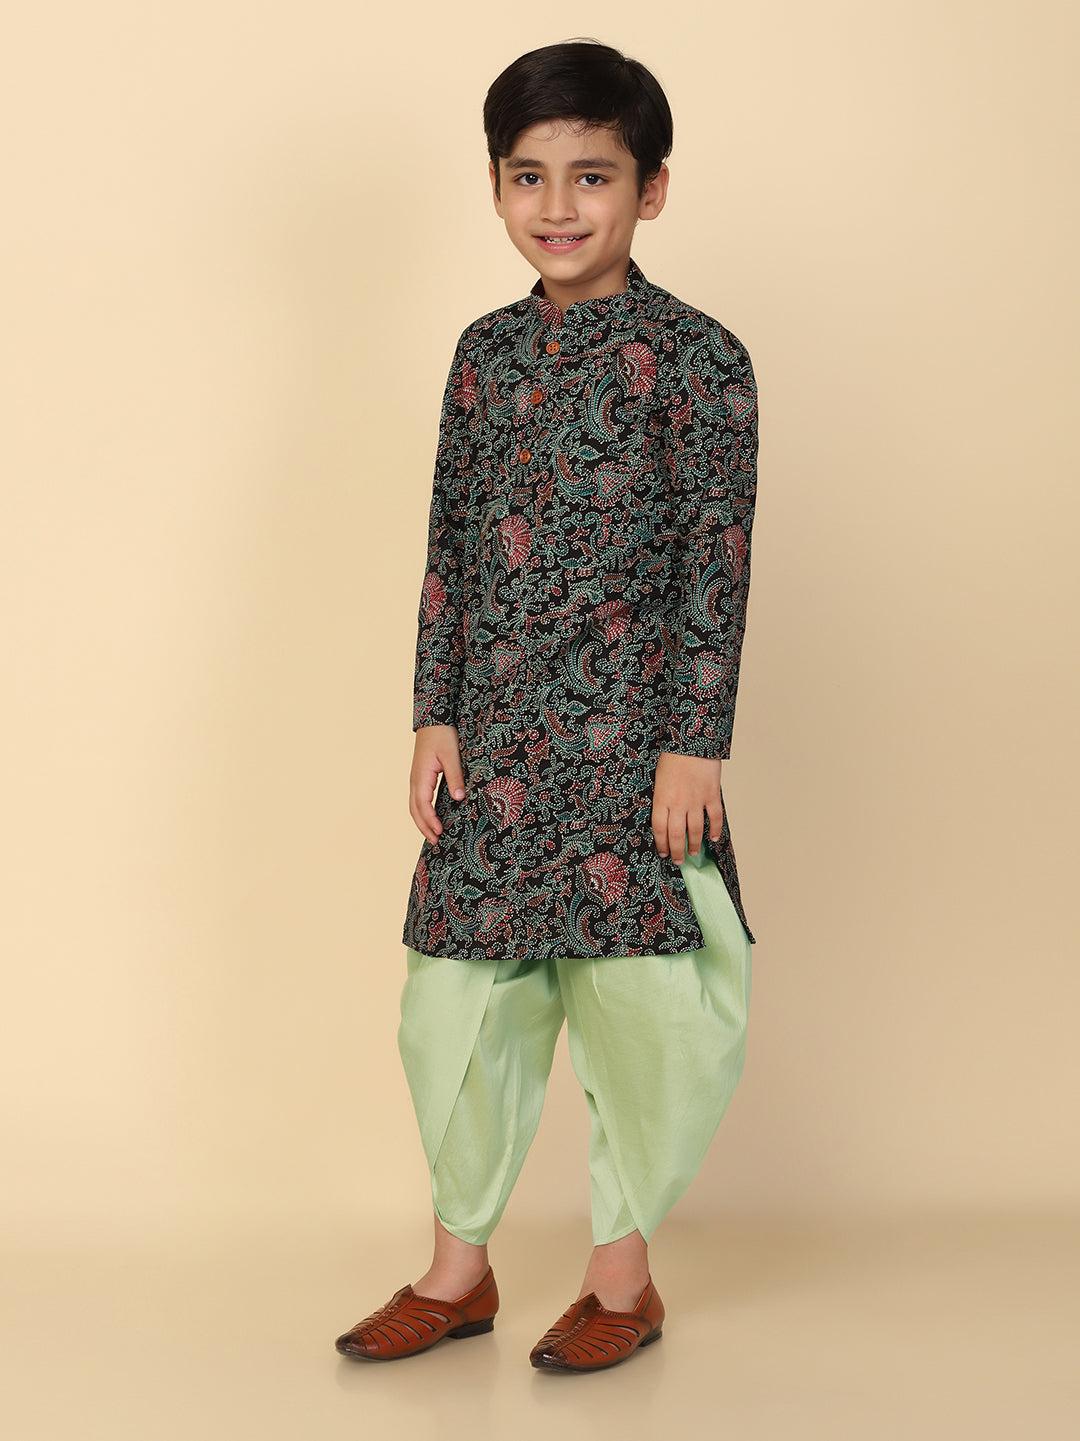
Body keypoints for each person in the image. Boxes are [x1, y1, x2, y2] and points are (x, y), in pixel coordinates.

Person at [335, 37, 760, 1374]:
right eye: (529, 176)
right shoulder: (484, 355)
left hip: (636, 750)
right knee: (454, 1011)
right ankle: (458, 1273)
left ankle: (622, 1283)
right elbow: (451, 544)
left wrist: (696, 744)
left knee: (645, 1017)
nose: (559, 205)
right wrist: (433, 711)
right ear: (497, 186)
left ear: (652, 188)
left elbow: (717, 560)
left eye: (593, 175)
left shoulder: (701, 360)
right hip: (496, 746)